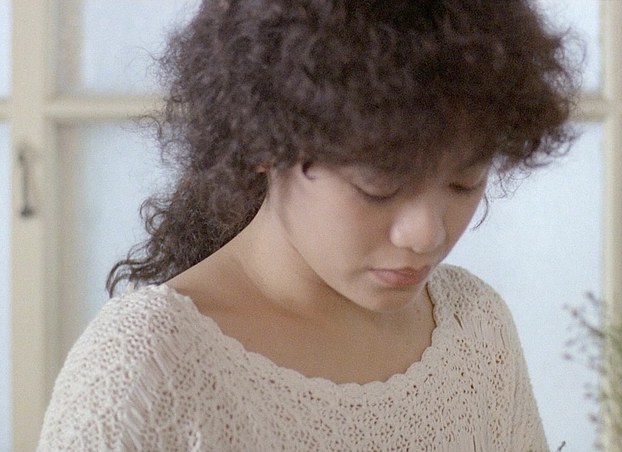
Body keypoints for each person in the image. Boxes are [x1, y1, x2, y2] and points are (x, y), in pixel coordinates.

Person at [38, 0, 579, 450]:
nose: (427, 234)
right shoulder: (148, 363)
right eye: (378, 186)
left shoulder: (473, 328)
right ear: (261, 142)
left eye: (464, 182)